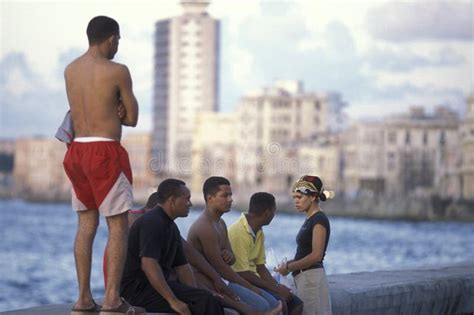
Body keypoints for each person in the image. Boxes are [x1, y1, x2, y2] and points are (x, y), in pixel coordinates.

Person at [62, 15, 142, 314]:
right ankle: (112, 299)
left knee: (85, 224)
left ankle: (83, 298)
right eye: (117, 41)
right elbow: (132, 119)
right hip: (105, 151)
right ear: (111, 38)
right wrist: (120, 107)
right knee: (118, 225)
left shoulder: (70, 70)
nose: (118, 46)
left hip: (76, 151)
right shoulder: (118, 70)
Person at [120, 179, 224, 315]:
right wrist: (173, 301)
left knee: (207, 299)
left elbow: (183, 268)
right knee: (204, 302)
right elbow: (149, 265)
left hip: (152, 288)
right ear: (173, 200)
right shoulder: (153, 222)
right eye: (187, 199)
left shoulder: (170, 226)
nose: (190, 204)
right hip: (136, 291)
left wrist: (195, 293)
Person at [188, 176, 282, 314]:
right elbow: (220, 268)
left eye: (230, 195)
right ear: (210, 198)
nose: (230, 199)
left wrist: (229, 255)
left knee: (274, 303)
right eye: (225, 195)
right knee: (264, 305)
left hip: (223, 280)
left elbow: (231, 259)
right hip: (209, 283)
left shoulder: (220, 223)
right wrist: (251, 287)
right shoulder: (205, 227)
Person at [228, 192, 304, 315]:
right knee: (280, 303)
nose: (274, 215)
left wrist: (277, 285)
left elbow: (260, 267)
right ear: (267, 213)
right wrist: (276, 288)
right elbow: (242, 273)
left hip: (254, 279)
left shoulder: (259, 231)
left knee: (296, 303)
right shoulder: (238, 232)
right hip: (242, 282)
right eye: (274, 211)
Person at [274, 176, 332, 315]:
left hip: (311, 279)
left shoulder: (319, 219)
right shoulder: (310, 219)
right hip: (304, 278)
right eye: (294, 197)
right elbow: (305, 253)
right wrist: (288, 263)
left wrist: (288, 267)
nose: (296, 201)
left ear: (312, 197)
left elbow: (316, 256)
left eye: (299, 197)